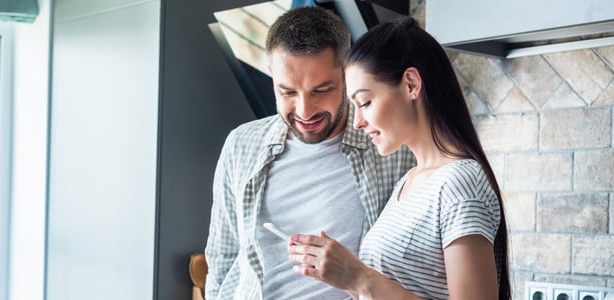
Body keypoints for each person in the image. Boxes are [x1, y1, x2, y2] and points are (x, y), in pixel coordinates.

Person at [287, 17, 511, 300]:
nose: (358, 122)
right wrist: (344, 276)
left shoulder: (459, 184)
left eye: (365, 102)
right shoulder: (410, 182)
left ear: (411, 84)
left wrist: (358, 277)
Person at [204, 6, 416, 300]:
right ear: (272, 76)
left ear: (346, 74)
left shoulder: (391, 148)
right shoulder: (241, 145)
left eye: (321, 90)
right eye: (288, 92)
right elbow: (222, 258)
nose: (305, 111)